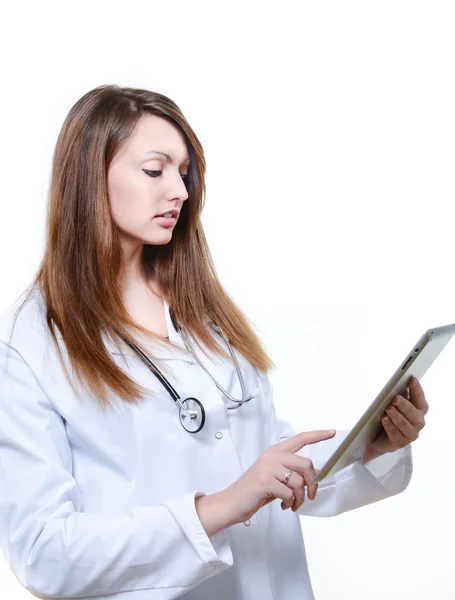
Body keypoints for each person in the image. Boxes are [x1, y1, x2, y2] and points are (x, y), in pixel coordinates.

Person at [0, 85, 428, 600]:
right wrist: (219, 507)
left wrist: (370, 448)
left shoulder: (199, 305)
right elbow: (43, 552)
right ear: (90, 178)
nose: (179, 191)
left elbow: (256, 454)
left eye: (183, 173)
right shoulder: (37, 339)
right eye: (155, 171)